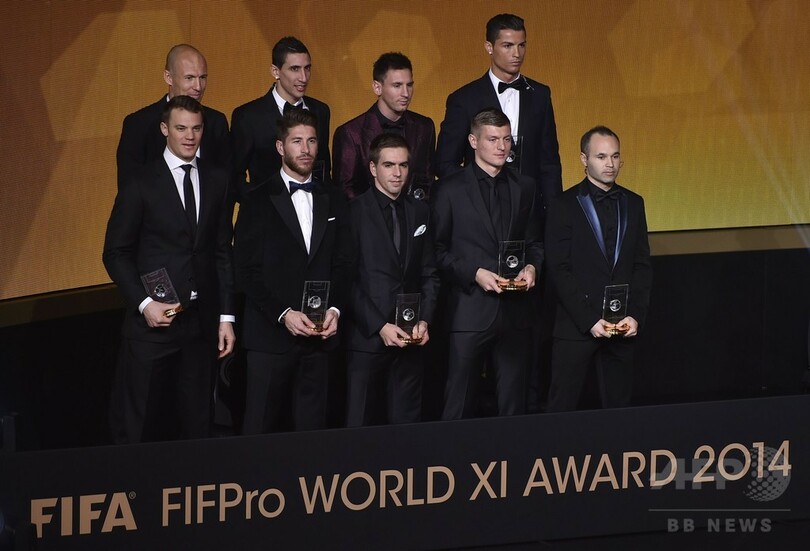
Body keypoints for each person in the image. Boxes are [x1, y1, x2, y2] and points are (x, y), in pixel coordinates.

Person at [103, 95, 236, 443]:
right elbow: (115, 253)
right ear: (165, 129)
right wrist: (144, 304)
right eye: (181, 128)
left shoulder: (217, 179)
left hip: (200, 325)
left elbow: (221, 251)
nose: (190, 136)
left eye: (196, 129)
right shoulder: (140, 182)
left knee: (198, 426)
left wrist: (226, 317)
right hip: (152, 326)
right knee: (139, 424)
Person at [234, 109, 350, 433]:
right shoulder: (256, 200)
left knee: (313, 441)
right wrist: (284, 314)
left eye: (311, 141)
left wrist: (335, 310)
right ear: (280, 147)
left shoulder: (335, 198)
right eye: (297, 141)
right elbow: (245, 270)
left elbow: (345, 263)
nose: (306, 149)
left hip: (320, 339)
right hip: (269, 339)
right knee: (259, 432)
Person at [431, 108, 543, 420]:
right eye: (493, 139)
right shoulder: (449, 189)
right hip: (469, 311)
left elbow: (534, 243)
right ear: (473, 141)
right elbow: (436, 251)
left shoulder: (525, 186)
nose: (502, 146)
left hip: (515, 313)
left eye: (506, 139)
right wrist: (475, 273)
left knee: (513, 409)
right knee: (458, 406)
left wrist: (532, 267)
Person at [545, 126, 652, 411]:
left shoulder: (634, 203)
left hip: (621, 327)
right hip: (576, 327)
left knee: (619, 413)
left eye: (615, 156)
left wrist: (635, 315)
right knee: (561, 410)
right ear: (584, 159)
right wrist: (590, 319)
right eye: (601, 156)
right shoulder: (563, 205)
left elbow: (642, 265)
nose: (610, 164)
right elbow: (559, 269)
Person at [344, 134, 440, 426]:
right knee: (360, 428)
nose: (397, 173)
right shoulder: (352, 212)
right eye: (389, 165)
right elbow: (346, 280)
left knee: (406, 431)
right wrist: (379, 326)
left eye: (403, 165)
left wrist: (424, 320)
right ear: (373, 168)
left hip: (411, 339)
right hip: (367, 340)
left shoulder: (421, 210)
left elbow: (430, 273)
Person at [435, 13, 561, 208]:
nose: (517, 54)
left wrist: (555, 213)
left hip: (529, 210)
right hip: (479, 210)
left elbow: (549, 163)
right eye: (507, 46)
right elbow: (445, 163)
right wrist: (473, 193)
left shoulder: (540, 95)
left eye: (522, 45)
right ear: (489, 47)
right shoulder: (464, 99)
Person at [116, 44, 231, 189]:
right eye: (189, 78)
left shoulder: (217, 122)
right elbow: (129, 188)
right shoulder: (139, 124)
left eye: (202, 77)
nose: (198, 87)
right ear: (168, 77)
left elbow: (227, 184)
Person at [231, 36, 331, 201]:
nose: (303, 77)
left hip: (311, 208)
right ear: (275, 71)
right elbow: (235, 175)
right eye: (295, 69)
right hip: (265, 211)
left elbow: (323, 168)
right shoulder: (248, 116)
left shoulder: (321, 111)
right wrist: (257, 204)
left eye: (307, 68)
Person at [333, 52, 436, 201]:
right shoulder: (350, 133)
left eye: (409, 85)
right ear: (377, 87)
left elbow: (427, 181)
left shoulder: (424, 127)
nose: (405, 93)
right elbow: (345, 190)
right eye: (397, 85)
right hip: (367, 214)